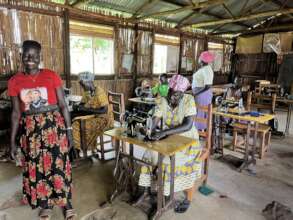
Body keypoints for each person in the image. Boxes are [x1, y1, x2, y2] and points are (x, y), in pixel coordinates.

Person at [8, 40, 75, 220]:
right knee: (38, 168)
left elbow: (62, 105)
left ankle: (67, 202)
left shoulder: (51, 76)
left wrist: (69, 132)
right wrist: (12, 141)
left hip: (54, 127)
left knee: (59, 166)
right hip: (31, 131)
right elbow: (15, 113)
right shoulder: (15, 81)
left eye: (35, 56)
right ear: (21, 56)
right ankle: (45, 204)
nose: (31, 59)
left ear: (40, 57)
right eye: (27, 55)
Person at [138, 74, 202, 214]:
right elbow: (156, 117)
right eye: (172, 93)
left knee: (167, 162)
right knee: (149, 154)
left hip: (187, 141)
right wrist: (150, 131)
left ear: (183, 93)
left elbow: (187, 125)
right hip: (169, 138)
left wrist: (163, 133)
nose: (173, 97)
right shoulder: (163, 100)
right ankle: (147, 191)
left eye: (177, 94)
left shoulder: (188, 100)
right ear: (168, 90)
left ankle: (179, 199)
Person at [72, 71, 114, 158]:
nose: (82, 87)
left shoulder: (99, 91)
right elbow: (83, 104)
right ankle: (80, 150)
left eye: (83, 84)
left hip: (104, 119)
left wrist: (86, 109)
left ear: (89, 82)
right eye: (81, 85)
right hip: (95, 116)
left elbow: (104, 111)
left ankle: (83, 150)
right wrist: (78, 106)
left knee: (77, 125)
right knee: (75, 119)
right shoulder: (87, 92)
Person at [192, 51, 214, 130]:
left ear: (202, 59)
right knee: (199, 112)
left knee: (201, 112)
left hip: (202, 94)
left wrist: (196, 93)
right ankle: (198, 130)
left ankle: (200, 130)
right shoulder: (204, 69)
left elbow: (208, 86)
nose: (198, 58)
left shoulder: (206, 70)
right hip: (201, 93)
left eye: (199, 57)